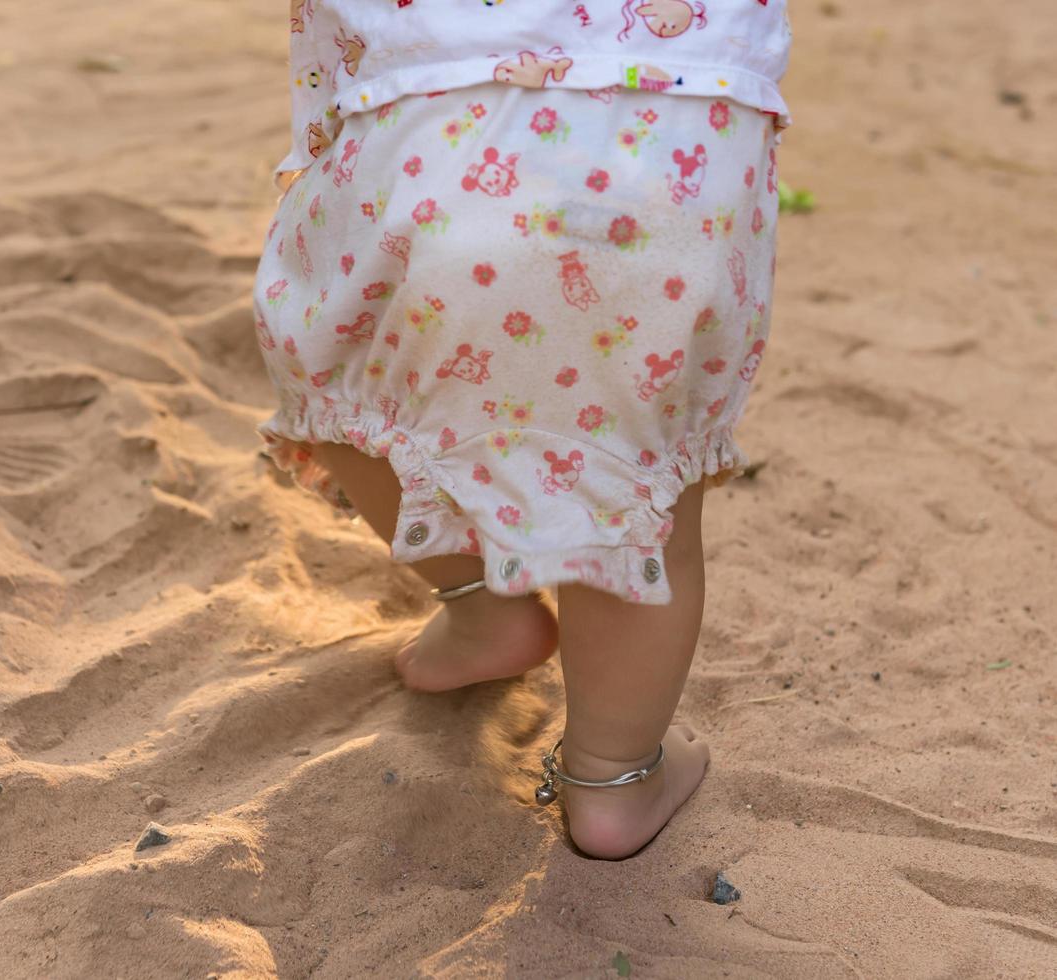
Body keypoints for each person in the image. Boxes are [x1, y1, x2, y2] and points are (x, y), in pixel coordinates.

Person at [254, 1, 791, 859]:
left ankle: (480, 609)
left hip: (418, 132)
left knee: (341, 384)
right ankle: (614, 778)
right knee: (636, 478)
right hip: (678, 145)